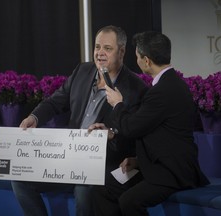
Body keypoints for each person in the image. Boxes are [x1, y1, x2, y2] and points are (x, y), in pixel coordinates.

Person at [11, 25, 148, 216]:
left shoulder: (136, 88)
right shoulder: (82, 71)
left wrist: (112, 134)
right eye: (97, 47)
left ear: (122, 51)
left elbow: (134, 134)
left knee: (84, 190)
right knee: (19, 180)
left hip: (103, 163)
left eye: (107, 48)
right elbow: (55, 102)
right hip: (70, 158)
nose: (100, 53)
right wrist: (34, 117)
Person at [88, 31, 210, 216]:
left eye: (137, 56)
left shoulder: (163, 90)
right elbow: (154, 131)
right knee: (103, 189)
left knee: (129, 202)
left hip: (172, 172)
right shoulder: (169, 84)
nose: (135, 60)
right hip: (156, 164)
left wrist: (118, 103)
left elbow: (131, 128)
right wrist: (137, 161)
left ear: (146, 61)